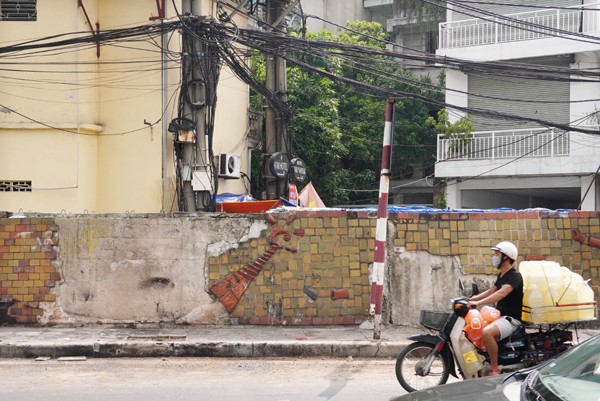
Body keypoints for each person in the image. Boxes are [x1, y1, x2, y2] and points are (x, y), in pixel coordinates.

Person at [467, 241, 523, 376]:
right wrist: (471, 299)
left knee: (487, 332)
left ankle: (494, 368)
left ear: (506, 257)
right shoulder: (502, 275)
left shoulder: (515, 276)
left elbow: (500, 294)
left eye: (497, 254)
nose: (494, 257)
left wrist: (478, 303)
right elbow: (491, 291)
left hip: (511, 320)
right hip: (500, 316)